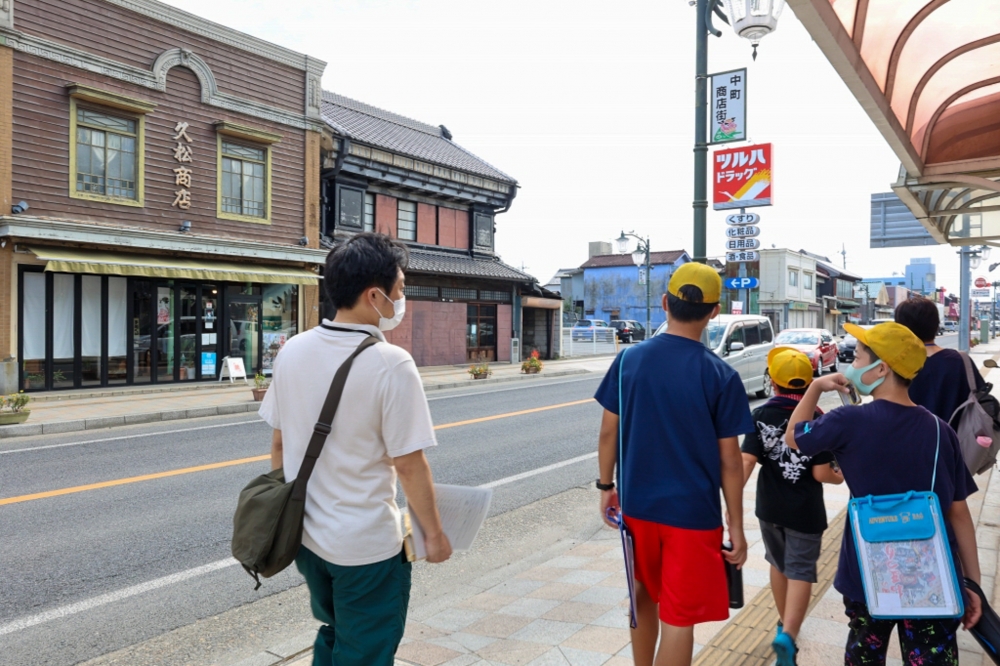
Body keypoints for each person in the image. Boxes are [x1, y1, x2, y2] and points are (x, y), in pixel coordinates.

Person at [259, 233, 452, 666]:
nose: (402, 300)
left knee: (334, 633)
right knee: (365, 650)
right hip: (365, 547)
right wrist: (435, 536)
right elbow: (408, 464)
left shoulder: (292, 351)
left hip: (306, 539)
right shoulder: (392, 363)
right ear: (374, 295)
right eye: (400, 290)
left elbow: (279, 441)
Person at [785, 322, 982, 665]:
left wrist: (816, 387)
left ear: (882, 368)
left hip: (867, 574)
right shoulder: (940, 431)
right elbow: (958, 512)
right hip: (932, 579)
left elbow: (794, 437)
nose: (852, 364)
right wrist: (972, 583)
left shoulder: (848, 421)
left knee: (865, 655)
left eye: (859, 357)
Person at [595, 262, 753, 666]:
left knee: (642, 597)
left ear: (665, 302)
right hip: (693, 517)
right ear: (715, 312)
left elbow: (608, 433)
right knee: (679, 619)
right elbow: (730, 462)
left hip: (639, 508)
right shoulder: (720, 375)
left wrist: (605, 486)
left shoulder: (628, 361)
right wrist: (735, 524)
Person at [741, 347, 844, 666]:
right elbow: (821, 472)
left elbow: (745, 463)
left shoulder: (759, 416)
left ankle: (781, 620)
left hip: (769, 509)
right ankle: (788, 634)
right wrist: (839, 475)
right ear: (809, 381)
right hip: (805, 511)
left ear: (773, 382)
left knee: (777, 563)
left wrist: (729, 504)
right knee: (801, 570)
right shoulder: (816, 419)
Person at [895, 297, 986, 426]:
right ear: (936, 324)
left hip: (909, 442)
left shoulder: (896, 365)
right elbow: (981, 400)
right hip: (956, 442)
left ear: (900, 328)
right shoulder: (961, 361)